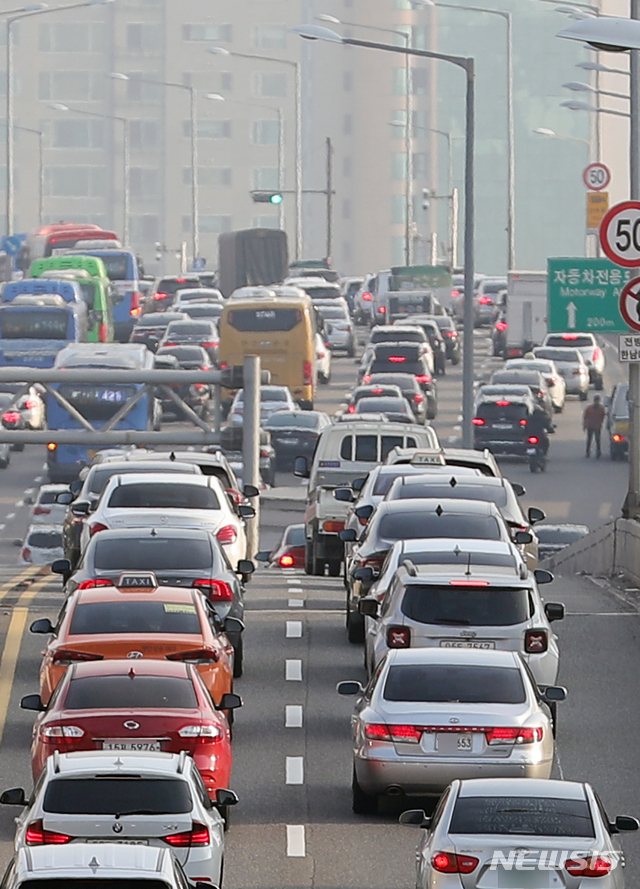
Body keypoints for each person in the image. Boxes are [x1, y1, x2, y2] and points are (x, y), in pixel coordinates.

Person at [583, 394, 606, 458]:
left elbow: (603, 416)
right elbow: (585, 417)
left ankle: (598, 452)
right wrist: (585, 425)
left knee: (597, 439)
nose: (597, 402)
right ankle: (588, 452)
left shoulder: (601, 409)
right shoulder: (589, 408)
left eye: (597, 401)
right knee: (589, 439)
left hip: (597, 426)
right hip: (590, 426)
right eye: (596, 401)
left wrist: (600, 423)